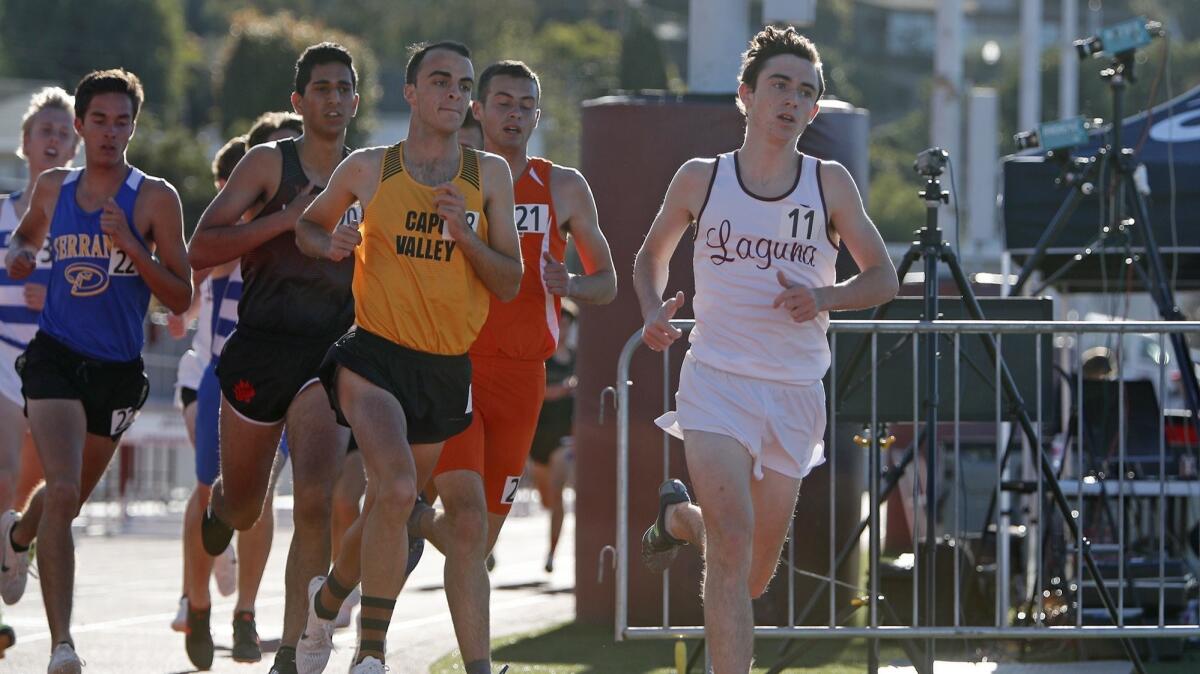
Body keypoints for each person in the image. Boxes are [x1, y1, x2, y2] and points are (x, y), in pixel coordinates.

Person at [633, 26, 898, 673]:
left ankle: (679, 521)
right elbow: (651, 256)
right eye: (779, 85)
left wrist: (822, 298)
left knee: (750, 572)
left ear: (813, 110)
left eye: (805, 92)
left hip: (794, 392)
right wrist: (651, 312)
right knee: (732, 543)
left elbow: (883, 278)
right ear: (746, 95)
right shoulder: (703, 177)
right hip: (716, 383)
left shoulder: (828, 183)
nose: (791, 100)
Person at [293, 40, 522, 674]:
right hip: (372, 356)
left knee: (388, 507)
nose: (454, 92)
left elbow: (508, 281)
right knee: (393, 487)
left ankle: (328, 600)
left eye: (463, 84)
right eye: (440, 81)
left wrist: (467, 235)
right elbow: (309, 227)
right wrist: (332, 241)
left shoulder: (489, 176)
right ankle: (371, 653)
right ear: (412, 94)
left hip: (445, 367)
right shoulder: (369, 168)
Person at [420, 58, 615, 663]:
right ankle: (475, 663)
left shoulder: (563, 186)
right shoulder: (449, 178)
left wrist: (570, 283)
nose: (515, 113)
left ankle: (401, 513)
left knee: (476, 541)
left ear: (538, 114)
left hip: (524, 375)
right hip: (456, 363)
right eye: (502, 101)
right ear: (477, 110)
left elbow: (605, 280)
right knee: (470, 524)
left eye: (526, 104)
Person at [1, 68, 193, 674]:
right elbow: (24, 242)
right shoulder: (54, 187)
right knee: (60, 490)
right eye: (100, 121)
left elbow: (181, 294)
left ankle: (18, 536)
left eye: (123, 122)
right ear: (80, 126)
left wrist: (133, 247)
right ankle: (63, 646)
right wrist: (24, 257)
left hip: (117, 369)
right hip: (55, 356)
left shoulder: (156, 197)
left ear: (134, 127)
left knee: (67, 502)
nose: (112, 133)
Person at [187, 44, 361, 674]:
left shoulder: (367, 173)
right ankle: (222, 509)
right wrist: (285, 220)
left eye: (344, 88)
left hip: (329, 356)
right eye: (322, 88)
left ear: (357, 101)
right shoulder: (268, 162)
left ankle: (294, 646)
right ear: (299, 101)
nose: (334, 99)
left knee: (315, 498)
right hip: (260, 347)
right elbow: (200, 247)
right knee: (245, 507)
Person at [0, 87, 80, 516]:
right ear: (26, 141)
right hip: (3, 354)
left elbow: (99, 291)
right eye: (44, 130)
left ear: (74, 147)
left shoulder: (82, 220)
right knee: (3, 472)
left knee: (36, 488)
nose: (53, 139)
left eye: (64, 133)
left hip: (58, 362)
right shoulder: (1, 214)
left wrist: (53, 296)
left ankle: (15, 553)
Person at [528, 300, 578, 573]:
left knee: (557, 494)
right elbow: (540, 392)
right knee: (546, 499)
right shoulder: (541, 356)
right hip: (537, 438)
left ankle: (551, 555)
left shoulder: (578, 360)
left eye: (569, 324)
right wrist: (565, 388)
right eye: (561, 322)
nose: (565, 328)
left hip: (563, 440)